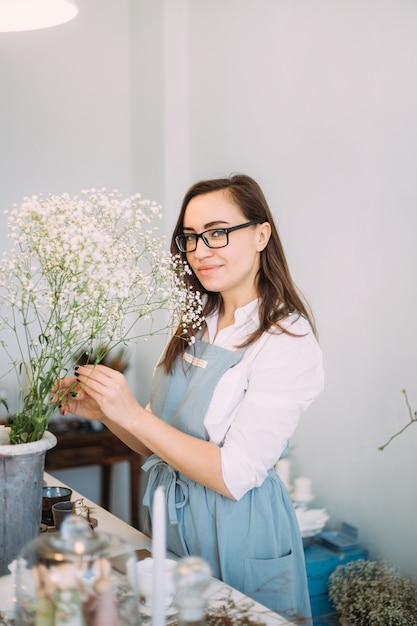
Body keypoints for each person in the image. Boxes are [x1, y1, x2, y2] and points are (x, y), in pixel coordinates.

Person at [53, 174, 324, 622]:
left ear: (261, 234)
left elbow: (233, 475)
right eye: (190, 237)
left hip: (239, 527)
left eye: (217, 232)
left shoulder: (285, 339)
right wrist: (106, 412)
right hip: (170, 514)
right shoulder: (196, 321)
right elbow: (158, 442)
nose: (200, 250)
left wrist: (133, 414)